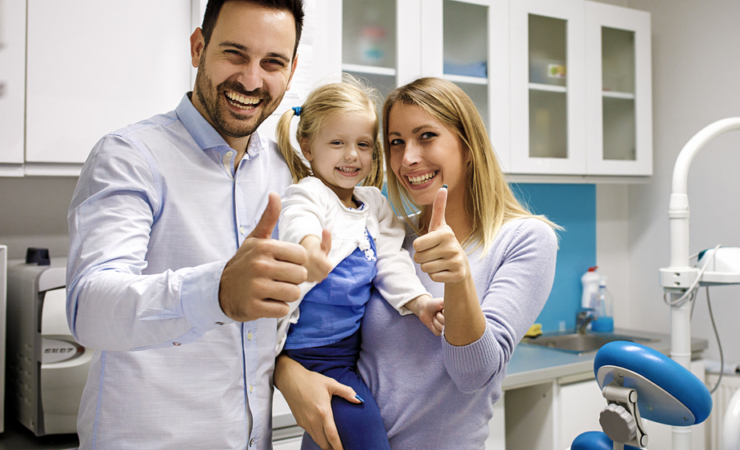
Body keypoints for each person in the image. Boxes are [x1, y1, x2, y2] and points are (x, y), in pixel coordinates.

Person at [66, 1, 358, 448]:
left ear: (292, 68)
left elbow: (269, 332)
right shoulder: (130, 157)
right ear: (198, 47)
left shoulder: (289, 175)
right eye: (235, 54)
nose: (251, 79)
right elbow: (90, 308)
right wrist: (218, 292)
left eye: (272, 63)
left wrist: (289, 371)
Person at [276, 77, 560, 449]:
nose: (408, 157)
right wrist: (286, 373)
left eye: (426, 136)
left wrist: (458, 280)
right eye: (396, 142)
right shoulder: (384, 236)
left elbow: (474, 375)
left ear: (468, 144)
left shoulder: (524, 240)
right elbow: (316, 330)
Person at [273, 78, 445, 449]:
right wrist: (308, 251)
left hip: (348, 354)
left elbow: (391, 260)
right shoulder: (309, 193)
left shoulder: (373, 205)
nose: (352, 155)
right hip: (311, 356)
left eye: (363, 145)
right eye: (337, 143)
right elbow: (297, 220)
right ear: (307, 146)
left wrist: (419, 302)